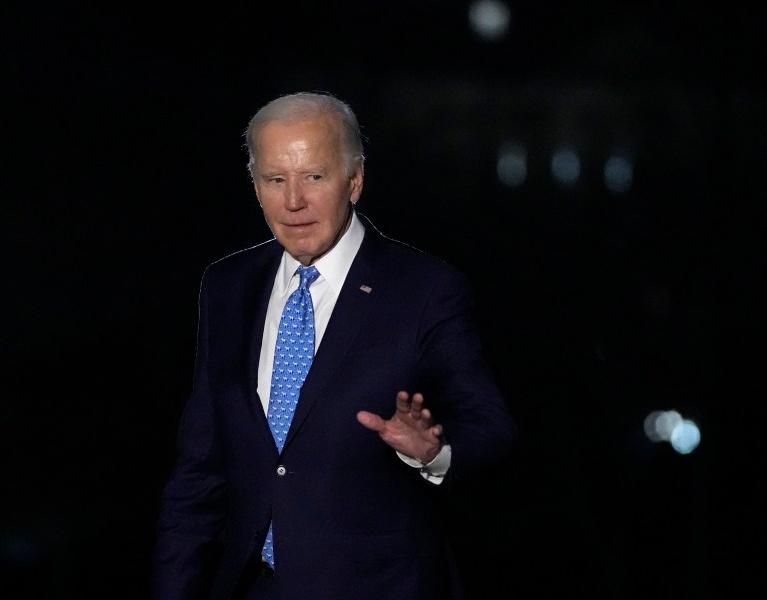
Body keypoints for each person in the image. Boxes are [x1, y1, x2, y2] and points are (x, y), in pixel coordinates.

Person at [152, 90, 517, 599]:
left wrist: (433, 452)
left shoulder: (426, 290)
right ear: (255, 186)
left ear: (356, 179)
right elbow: (200, 469)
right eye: (275, 180)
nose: (293, 201)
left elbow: (492, 427)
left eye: (314, 177)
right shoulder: (228, 285)